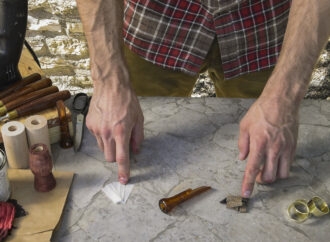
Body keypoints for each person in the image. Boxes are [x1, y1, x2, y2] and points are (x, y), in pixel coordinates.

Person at [76, 0, 330, 198]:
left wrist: (285, 95)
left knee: (264, 160)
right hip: (157, 17)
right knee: (127, 148)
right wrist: (108, 79)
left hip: (262, 22)